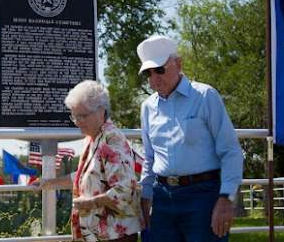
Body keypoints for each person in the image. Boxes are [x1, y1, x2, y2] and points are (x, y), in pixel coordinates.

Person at [137, 35, 244, 242]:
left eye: (159, 70)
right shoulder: (147, 107)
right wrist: (145, 194)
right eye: (148, 73)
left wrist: (226, 198)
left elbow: (230, 150)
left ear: (178, 64)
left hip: (204, 197)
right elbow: (149, 157)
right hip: (161, 199)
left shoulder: (205, 96)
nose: (154, 78)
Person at [38, 80, 144, 242]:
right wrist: (48, 183)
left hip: (114, 235)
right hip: (98, 234)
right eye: (74, 116)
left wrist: (90, 203)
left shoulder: (111, 139)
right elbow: (84, 177)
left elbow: (124, 190)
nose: (78, 121)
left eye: (83, 115)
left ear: (101, 111)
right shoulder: (92, 138)